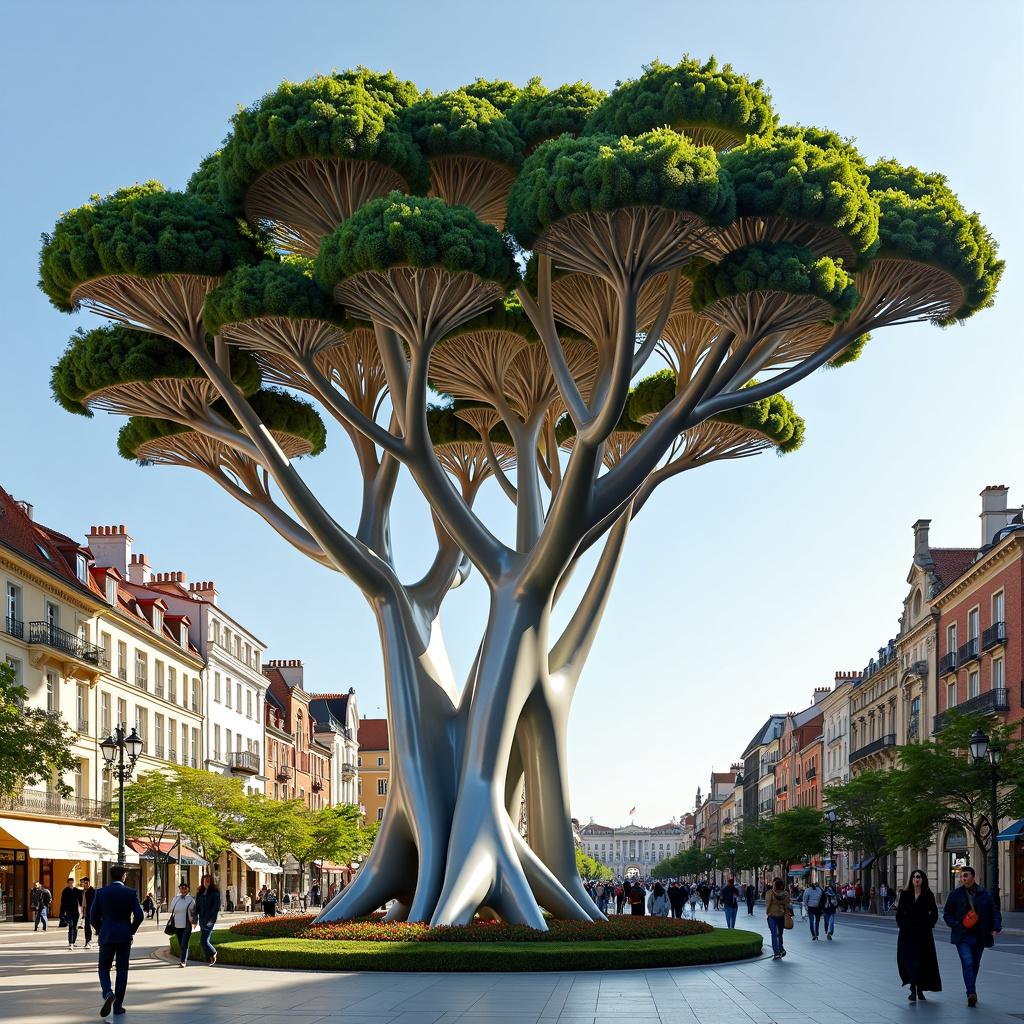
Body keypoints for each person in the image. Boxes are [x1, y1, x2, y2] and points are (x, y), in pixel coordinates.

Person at [942, 865, 1002, 1007]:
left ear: (973, 877)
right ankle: (971, 993)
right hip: (962, 936)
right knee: (968, 962)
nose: (963, 878)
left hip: (980, 935)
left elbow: (994, 911)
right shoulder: (955, 894)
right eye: (962, 876)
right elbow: (947, 914)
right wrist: (957, 926)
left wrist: (996, 927)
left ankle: (970, 988)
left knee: (975, 964)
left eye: (966, 875)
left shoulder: (984, 894)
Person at [90, 863, 144, 1018]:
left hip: (107, 935)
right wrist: (130, 930)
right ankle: (118, 1005)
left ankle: (107, 992)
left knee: (103, 967)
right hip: (124, 936)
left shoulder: (101, 893)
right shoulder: (131, 892)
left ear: (111, 876)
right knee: (122, 969)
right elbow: (139, 916)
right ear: (124, 876)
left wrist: (101, 930)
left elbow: (92, 917)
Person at [896, 869, 941, 1002]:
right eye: (914, 877)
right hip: (907, 933)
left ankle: (919, 989)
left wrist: (929, 925)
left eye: (919, 877)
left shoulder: (928, 894)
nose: (916, 879)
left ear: (923, 879)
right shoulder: (905, 894)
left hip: (923, 934)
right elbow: (899, 913)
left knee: (922, 961)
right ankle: (912, 988)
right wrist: (902, 924)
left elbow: (934, 912)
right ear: (911, 879)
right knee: (908, 960)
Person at [168, 882, 197, 968]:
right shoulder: (176, 898)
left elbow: (195, 912)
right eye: (181, 888)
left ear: (188, 889)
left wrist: (195, 921)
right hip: (177, 924)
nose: (183, 890)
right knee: (181, 944)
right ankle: (185, 956)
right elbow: (171, 909)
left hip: (187, 925)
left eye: (185, 888)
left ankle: (183, 961)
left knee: (184, 943)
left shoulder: (191, 899)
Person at [195, 874, 220, 965]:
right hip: (202, 919)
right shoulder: (199, 893)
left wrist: (212, 920)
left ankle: (213, 952)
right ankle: (210, 958)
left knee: (203, 941)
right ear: (202, 881)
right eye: (205, 881)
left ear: (211, 882)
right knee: (205, 940)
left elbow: (216, 908)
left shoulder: (215, 893)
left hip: (210, 920)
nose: (206, 882)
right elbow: (197, 906)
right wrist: (194, 918)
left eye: (208, 881)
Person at [765, 877, 792, 961]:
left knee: (774, 934)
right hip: (781, 915)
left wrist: (767, 912)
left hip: (772, 915)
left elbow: (768, 903)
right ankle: (780, 948)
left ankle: (776, 953)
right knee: (780, 933)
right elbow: (788, 903)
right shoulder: (786, 894)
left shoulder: (770, 893)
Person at [59, 875, 82, 950]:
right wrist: (61, 914)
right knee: (71, 926)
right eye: (69, 883)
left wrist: (83, 910)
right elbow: (62, 903)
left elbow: (81, 900)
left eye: (72, 883)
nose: (71, 884)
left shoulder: (77, 891)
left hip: (76, 911)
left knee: (75, 927)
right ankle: (70, 942)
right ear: (67, 883)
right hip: (68, 911)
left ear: (73, 883)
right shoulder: (65, 891)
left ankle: (74, 942)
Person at [81, 876, 97, 950]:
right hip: (86, 912)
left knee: (91, 926)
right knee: (87, 927)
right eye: (83, 883)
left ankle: (89, 941)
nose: (84, 885)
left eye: (86, 883)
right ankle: (88, 941)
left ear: (88, 883)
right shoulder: (84, 891)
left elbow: (93, 903)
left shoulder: (92, 891)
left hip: (91, 912)